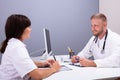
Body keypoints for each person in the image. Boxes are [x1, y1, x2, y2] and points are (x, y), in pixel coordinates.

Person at [0, 14, 60, 80]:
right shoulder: (17, 48)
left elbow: (23, 63)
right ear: (20, 29)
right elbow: (38, 75)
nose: (30, 29)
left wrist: (42, 64)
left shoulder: (13, 44)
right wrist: (54, 69)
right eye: (28, 27)